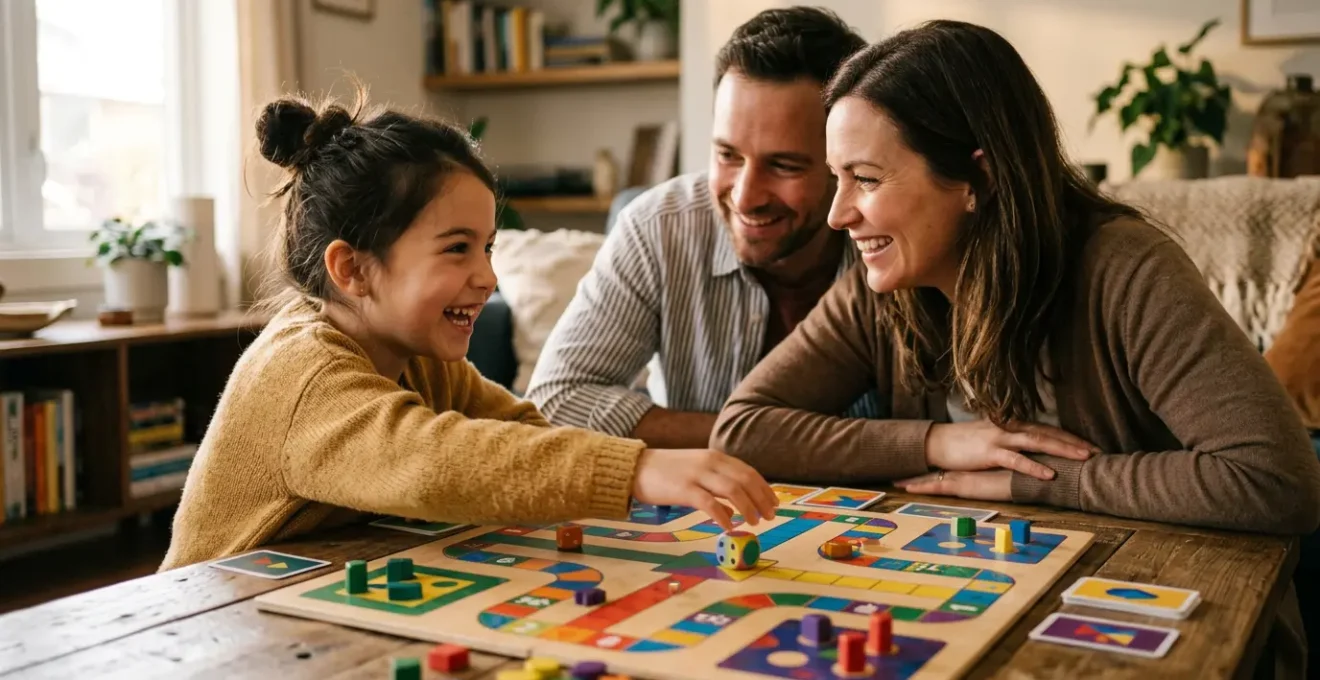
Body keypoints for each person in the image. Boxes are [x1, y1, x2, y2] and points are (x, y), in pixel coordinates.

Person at [710, 21, 1320, 676]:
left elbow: (1275, 478)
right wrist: (936, 444)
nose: (838, 215)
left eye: (864, 178)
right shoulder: (882, 287)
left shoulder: (1124, 269)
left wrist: (1045, 481)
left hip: (1166, 617)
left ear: (980, 177)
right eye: (836, 177)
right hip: (973, 597)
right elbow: (742, 430)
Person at [159, 92, 777, 571]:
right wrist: (636, 470)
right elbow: (435, 460)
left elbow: (519, 435)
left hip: (313, 596)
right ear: (352, 269)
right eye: (456, 249)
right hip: (209, 624)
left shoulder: (418, 355)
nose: (487, 275)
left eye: (487, 247)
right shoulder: (302, 372)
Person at [524, 7, 875, 449]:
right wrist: (770, 441)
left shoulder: (888, 239)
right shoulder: (660, 227)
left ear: (843, 162)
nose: (746, 196)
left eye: (784, 165)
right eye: (728, 155)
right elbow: (557, 401)